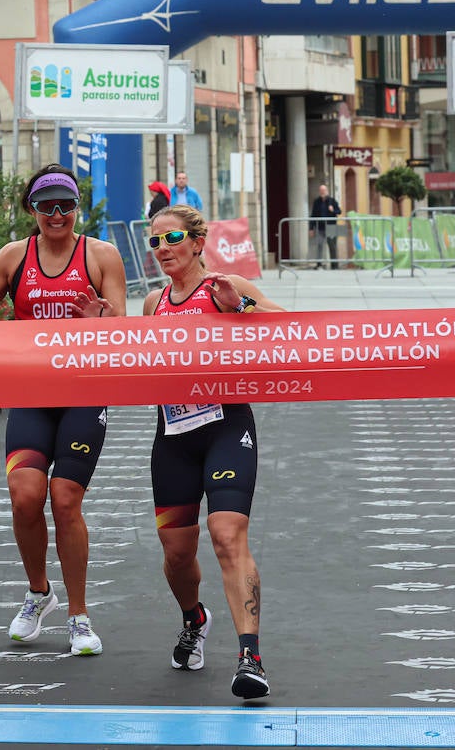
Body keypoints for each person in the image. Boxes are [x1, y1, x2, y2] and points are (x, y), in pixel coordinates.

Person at [0, 164, 128, 657]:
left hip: (83, 394)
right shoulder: (14, 257)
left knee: (65, 498)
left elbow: (122, 326)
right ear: (32, 210)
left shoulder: (101, 255)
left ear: (77, 209)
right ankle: (38, 593)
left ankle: (78, 616)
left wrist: (103, 319)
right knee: (25, 496)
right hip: (31, 393)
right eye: (46, 205)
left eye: (66, 205)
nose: (57, 214)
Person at [138, 203, 284, 700]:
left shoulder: (226, 287)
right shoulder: (153, 302)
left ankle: (250, 656)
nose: (162, 249)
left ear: (198, 242)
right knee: (177, 554)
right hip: (174, 436)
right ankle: (194, 617)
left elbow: (290, 328)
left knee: (226, 534)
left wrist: (239, 310)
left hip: (226, 427)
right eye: (153, 241)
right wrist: (105, 327)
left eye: (171, 238)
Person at [309, 183, 343, 269]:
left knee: (332, 246)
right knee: (319, 245)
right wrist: (311, 228)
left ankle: (334, 265)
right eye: (321, 190)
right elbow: (313, 215)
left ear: (327, 191)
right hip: (320, 227)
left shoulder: (332, 200)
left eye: (324, 190)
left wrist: (333, 210)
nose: (322, 192)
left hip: (331, 226)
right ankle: (319, 264)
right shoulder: (317, 201)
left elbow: (339, 211)